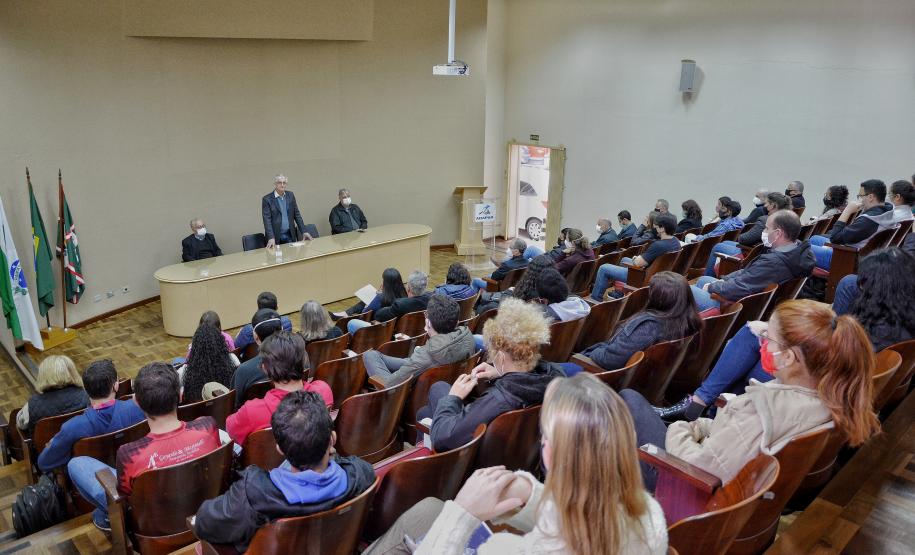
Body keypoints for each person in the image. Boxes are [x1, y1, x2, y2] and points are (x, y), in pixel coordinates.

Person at [364, 373, 668, 555]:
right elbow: (575, 514)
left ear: (549, 451)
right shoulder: (650, 515)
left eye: (545, 435)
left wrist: (461, 515)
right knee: (430, 507)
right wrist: (529, 494)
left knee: (428, 516)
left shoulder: (507, 549)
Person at [626, 299, 880, 490]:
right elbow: (735, 440)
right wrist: (703, 426)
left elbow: (702, 467)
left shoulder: (761, 412)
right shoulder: (833, 397)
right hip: (739, 483)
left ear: (789, 356)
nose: (762, 344)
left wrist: (680, 428)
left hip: (686, 488)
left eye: (767, 339)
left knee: (628, 400)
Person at [659, 250, 911, 420]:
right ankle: (709, 408)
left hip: (820, 386)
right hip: (836, 382)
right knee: (756, 341)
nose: (859, 285)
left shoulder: (871, 329)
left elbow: (831, 353)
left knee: (753, 339)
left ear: (876, 287)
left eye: (863, 281)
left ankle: (702, 404)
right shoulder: (900, 323)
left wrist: (781, 340)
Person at [195, 391, 376, 553]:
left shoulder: (252, 494)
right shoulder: (362, 474)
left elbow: (204, 522)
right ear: (333, 439)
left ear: (280, 448)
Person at [68, 362, 223, 531]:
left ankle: (106, 517)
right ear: (180, 395)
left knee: (76, 464)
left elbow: (125, 497)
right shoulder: (208, 426)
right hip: (206, 514)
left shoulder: (129, 454)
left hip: (155, 529)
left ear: (137, 402)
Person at [418, 298, 565, 452]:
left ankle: (426, 457)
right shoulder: (554, 377)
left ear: (501, 356)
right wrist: (499, 372)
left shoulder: (499, 400)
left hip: (477, 461)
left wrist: (453, 398)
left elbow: (443, 438)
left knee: (439, 388)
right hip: (521, 450)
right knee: (425, 412)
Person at [576, 272, 701, 374]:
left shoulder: (648, 326)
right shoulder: (688, 321)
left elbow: (610, 360)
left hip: (602, 374)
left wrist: (592, 352)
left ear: (658, 298)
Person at [691, 210, 814, 312]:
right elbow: (749, 274)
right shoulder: (796, 251)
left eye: (766, 228)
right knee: (703, 280)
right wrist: (726, 279)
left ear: (777, 233)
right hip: (756, 302)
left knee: (682, 292)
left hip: (738, 309)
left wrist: (713, 287)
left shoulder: (773, 263)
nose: (764, 232)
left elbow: (738, 288)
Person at [227, 331, 333, 446]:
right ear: (304, 361)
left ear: (265, 369)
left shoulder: (250, 412)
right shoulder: (324, 390)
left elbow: (230, 430)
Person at [38, 360, 146, 473]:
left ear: (85, 389)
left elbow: (44, 463)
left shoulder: (72, 427)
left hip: (93, 479)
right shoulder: (139, 408)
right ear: (116, 386)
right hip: (136, 470)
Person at [362, 294, 475, 387]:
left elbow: (389, 385)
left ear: (428, 322)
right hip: (433, 368)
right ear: (456, 322)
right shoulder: (468, 336)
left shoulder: (425, 356)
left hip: (417, 376)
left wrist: (420, 353)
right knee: (374, 355)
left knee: (368, 355)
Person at [830, 248, 915, 350]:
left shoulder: (877, 332)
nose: (861, 287)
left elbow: (843, 353)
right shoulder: (903, 312)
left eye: (864, 283)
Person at [808, 180, 899, 270]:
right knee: (814, 239)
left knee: (800, 249)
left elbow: (835, 238)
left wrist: (847, 211)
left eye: (860, 196)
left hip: (846, 259)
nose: (860, 200)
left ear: (871, 197)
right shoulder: (887, 211)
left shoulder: (868, 220)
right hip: (859, 254)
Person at [590, 213, 681, 301]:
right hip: (659, 274)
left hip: (642, 277)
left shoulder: (659, 245)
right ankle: (619, 292)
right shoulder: (675, 241)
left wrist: (635, 258)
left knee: (604, 268)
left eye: (656, 226)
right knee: (624, 260)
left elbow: (638, 263)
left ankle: (595, 299)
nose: (655, 228)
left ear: (662, 228)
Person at [700, 192, 790, 276]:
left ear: (773, 206)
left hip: (751, 253)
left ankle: (708, 275)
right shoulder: (787, 219)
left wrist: (741, 236)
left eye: (767, 203)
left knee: (718, 247)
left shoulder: (766, 220)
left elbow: (744, 239)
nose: (765, 205)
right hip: (760, 251)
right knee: (725, 242)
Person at [16, 355, 89, 435]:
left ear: (43, 376)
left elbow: (21, 424)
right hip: (81, 443)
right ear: (72, 372)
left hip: (45, 446)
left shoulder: (33, 404)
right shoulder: (87, 395)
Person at [232, 309, 284, 408]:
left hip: (252, 418)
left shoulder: (243, 370)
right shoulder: (301, 357)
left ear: (256, 337)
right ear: (282, 329)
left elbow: (235, 404)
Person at [180, 323, 237, 403]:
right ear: (221, 344)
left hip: (198, 414)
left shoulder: (185, 374)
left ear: (195, 347)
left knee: (177, 360)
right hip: (226, 412)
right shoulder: (233, 363)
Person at [361, 270, 431, 325]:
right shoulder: (432, 298)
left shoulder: (400, 304)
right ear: (425, 286)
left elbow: (378, 315)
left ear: (408, 288)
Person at [261, 173, 311, 248]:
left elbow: (297, 215)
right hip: (275, 236)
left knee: (292, 257)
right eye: (279, 183)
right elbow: (267, 220)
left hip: (289, 234)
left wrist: (304, 231)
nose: (282, 185)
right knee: (277, 259)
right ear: (275, 184)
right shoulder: (267, 199)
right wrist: (271, 237)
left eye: (284, 183)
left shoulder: (290, 195)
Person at [337, 267, 409, 318]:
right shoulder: (405, 292)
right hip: (393, 321)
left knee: (365, 302)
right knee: (366, 301)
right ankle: (345, 313)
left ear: (386, 283)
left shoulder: (381, 297)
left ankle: (344, 314)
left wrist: (369, 303)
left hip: (378, 323)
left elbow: (364, 313)